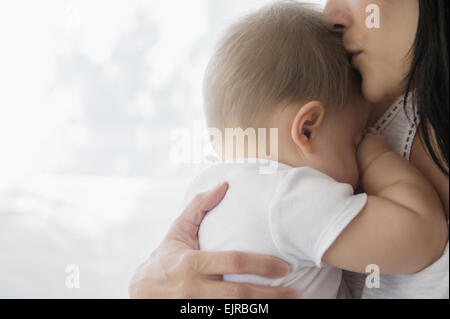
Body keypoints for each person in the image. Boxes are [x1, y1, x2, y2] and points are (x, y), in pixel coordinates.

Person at [129, 0, 449, 299]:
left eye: (357, 142)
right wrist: (378, 159)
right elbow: (423, 237)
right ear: (306, 129)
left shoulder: (217, 186)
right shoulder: (291, 195)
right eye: (355, 142)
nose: (330, 14)